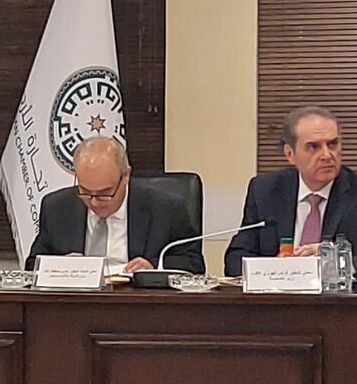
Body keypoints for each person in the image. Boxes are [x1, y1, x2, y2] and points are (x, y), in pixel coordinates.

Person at [25, 137, 205, 274]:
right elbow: (33, 265)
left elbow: (192, 263)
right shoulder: (57, 207)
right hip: (76, 304)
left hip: (139, 304)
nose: (94, 202)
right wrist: (61, 267)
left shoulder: (166, 209)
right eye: (85, 192)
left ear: (126, 176)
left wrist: (154, 267)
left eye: (104, 193)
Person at [225, 106, 357, 276]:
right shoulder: (266, 190)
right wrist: (275, 269)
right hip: (280, 292)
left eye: (332, 144)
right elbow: (235, 259)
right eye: (313, 147)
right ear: (290, 154)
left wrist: (332, 260)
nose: (326, 155)